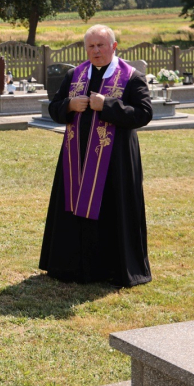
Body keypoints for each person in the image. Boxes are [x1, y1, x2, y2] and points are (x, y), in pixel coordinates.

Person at [39, 24, 153, 287]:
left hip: (116, 162)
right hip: (75, 159)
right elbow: (54, 109)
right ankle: (72, 267)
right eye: (91, 46)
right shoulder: (74, 75)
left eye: (101, 45)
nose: (96, 50)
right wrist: (68, 105)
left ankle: (112, 268)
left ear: (114, 47)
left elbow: (144, 114)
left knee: (112, 209)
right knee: (75, 210)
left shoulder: (132, 77)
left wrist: (108, 106)